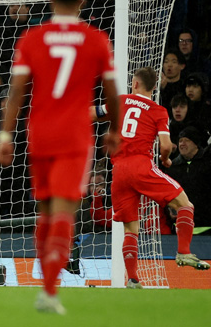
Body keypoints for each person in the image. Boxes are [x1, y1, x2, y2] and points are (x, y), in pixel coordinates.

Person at [0, 0, 121, 314]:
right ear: (81, 2)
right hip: (76, 135)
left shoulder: (32, 38)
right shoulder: (96, 40)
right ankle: (49, 292)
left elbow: (17, 91)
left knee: (46, 211)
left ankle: (45, 286)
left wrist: (5, 135)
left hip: (40, 134)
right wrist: (114, 129)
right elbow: (111, 92)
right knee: (65, 211)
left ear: (51, 1)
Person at [91, 67, 210, 290]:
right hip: (140, 165)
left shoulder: (121, 101)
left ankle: (133, 279)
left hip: (118, 171)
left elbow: (92, 113)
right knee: (185, 204)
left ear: (134, 84)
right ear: (153, 87)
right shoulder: (158, 110)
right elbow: (165, 145)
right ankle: (183, 252)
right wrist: (165, 160)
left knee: (130, 228)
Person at [165, 127, 211, 231]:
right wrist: (169, 209)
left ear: (196, 144)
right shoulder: (172, 166)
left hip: (207, 227)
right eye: (180, 141)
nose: (182, 144)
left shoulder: (207, 163)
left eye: (187, 140)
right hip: (181, 227)